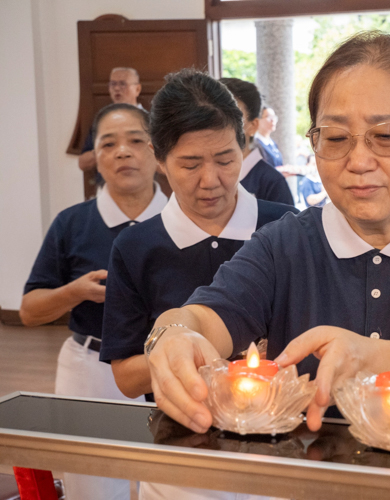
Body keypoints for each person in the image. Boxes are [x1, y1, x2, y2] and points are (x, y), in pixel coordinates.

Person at [144, 32, 390, 439]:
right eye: (337, 138)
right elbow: (207, 316)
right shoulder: (285, 245)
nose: (359, 161)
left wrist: (370, 357)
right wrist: (172, 333)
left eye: (387, 136)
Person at [98, 70, 297, 500]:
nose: (211, 180)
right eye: (190, 164)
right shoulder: (137, 246)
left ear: (246, 144)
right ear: (159, 157)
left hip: (281, 451)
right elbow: (126, 378)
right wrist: (182, 357)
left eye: (226, 159)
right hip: (180, 457)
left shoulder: (284, 227)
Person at [20, 103, 167, 500]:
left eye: (136, 140)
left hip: (169, 366)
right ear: (95, 160)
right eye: (108, 144)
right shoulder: (72, 223)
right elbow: (29, 311)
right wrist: (75, 291)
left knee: (171, 480)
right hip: (90, 368)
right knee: (93, 486)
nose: (123, 151)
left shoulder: (181, 220)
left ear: (158, 151)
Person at [220, 78, 294, 206]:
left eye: (232, 116)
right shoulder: (206, 178)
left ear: (253, 125)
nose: (219, 124)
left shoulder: (272, 183)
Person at [78, 68, 143, 176]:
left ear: (137, 89)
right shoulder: (101, 123)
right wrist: (106, 148)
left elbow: (165, 163)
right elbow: (83, 163)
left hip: (144, 186)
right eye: (113, 84)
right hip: (107, 187)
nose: (117, 88)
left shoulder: (151, 122)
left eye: (123, 84)